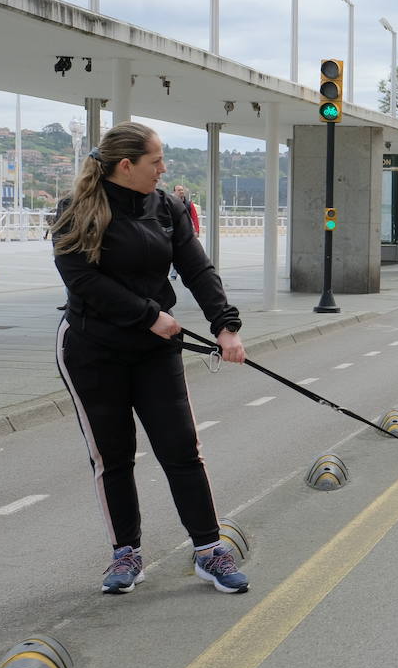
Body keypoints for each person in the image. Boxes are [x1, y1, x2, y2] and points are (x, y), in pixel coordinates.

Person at [51, 121, 250, 595]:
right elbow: (82, 281)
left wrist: (226, 325)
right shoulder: (74, 212)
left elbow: (196, 268)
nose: (164, 168)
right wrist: (148, 315)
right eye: (155, 161)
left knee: (181, 448)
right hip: (92, 349)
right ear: (126, 166)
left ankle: (208, 551)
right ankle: (126, 553)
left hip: (155, 350)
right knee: (113, 456)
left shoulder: (169, 207)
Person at [170, 185, 200, 280]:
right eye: (179, 190)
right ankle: (173, 272)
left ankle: (175, 273)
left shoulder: (189, 204)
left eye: (182, 190)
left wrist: (197, 230)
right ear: (174, 192)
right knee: (172, 252)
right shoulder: (170, 203)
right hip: (172, 232)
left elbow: (194, 217)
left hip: (185, 232)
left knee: (182, 253)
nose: (181, 192)